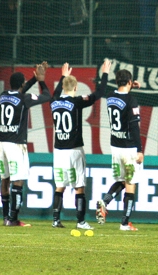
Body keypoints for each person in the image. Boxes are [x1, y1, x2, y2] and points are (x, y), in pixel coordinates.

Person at [50, 60, 110, 229]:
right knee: (79, 187)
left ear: (62, 87)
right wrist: (105, 73)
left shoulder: (53, 103)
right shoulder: (76, 102)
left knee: (59, 185)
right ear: (75, 88)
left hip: (59, 151)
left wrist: (63, 76)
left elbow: (54, 94)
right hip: (74, 150)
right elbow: (98, 93)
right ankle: (81, 221)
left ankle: (55, 219)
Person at [0, 60, 51, 226]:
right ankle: (13, 219)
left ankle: (5, 217)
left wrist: (31, 80)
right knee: (19, 180)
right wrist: (41, 80)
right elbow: (47, 96)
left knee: (5, 179)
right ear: (22, 84)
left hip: (1, 142)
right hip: (15, 144)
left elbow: (15, 90)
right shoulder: (24, 98)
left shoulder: (3, 96)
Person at [95, 69, 143, 231]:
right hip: (129, 147)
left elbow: (119, 93)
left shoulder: (110, 96)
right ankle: (124, 223)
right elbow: (135, 128)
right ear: (129, 82)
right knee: (130, 184)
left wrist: (130, 86)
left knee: (122, 180)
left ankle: (105, 201)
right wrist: (140, 150)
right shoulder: (131, 100)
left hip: (115, 147)